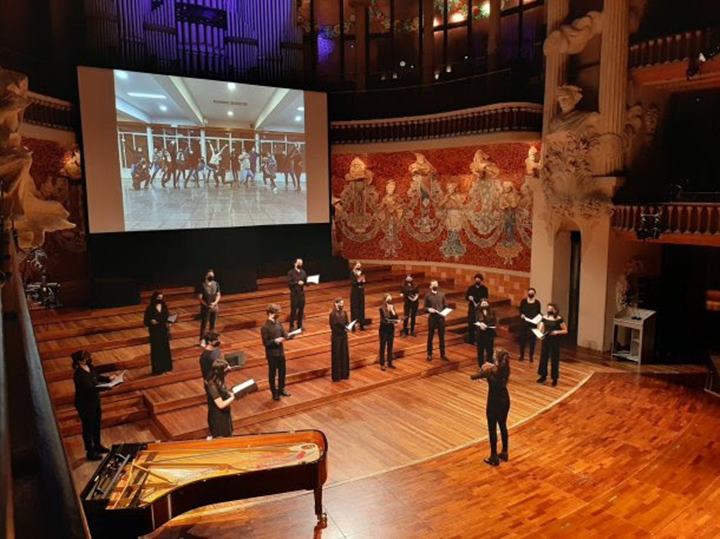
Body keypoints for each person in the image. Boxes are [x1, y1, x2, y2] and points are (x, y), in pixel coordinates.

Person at [470, 348, 511, 466]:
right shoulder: (505, 368)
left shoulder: (490, 371)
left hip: (494, 402)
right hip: (505, 399)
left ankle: (493, 456)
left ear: (496, 359)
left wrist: (483, 369)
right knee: (503, 425)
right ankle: (504, 452)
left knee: (492, 429)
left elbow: (474, 376)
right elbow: (495, 368)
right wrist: (491, 366)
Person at [72, 350, 115, 461]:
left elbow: (96, 376)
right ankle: (90, 452)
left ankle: (97, 445)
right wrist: (107, 387)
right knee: (88, 428)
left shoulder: (89, 367)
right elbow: (90, 389)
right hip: (85, 405)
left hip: (95, 401)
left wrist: (108, 379)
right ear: (80, 361)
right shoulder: (79, 375)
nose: (89, 359)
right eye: (86, 358)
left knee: (96, 424)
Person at [261, 304, 294, 401]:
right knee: (272, 374)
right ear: (270, 313)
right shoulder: (265, 327)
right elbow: (265, 342)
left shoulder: (278, 323)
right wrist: (275, 341)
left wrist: (291, 335)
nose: (278, 315)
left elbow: (284, 334)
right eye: (276, 313)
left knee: (282, 372)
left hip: (280, 352)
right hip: (272, 354)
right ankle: (274, 393)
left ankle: (281, 389)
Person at [537, 303, 568, 387]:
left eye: (551, 309)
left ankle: (554, 379)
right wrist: (539, 333)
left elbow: (565, 330)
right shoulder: (544, 317)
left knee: (554, 359)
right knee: (543, 358)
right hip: (546, 340)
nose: (549, 310)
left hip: (555, 341)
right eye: (548, 309)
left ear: (555, 310)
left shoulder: (559, 319)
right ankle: (543, 376)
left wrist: (557, 332)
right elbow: (541, 327)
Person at [143, 291, 173, 375]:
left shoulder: (164, 306)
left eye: (161, 298)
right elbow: (145, 321)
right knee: (157, 350)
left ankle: (166, 368)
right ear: (154, 298)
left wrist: (169, 322)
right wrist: (151, 321)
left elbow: (168, 316)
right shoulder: (150, 308)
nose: (160, 299)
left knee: (165, 349)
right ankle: (158, 370)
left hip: (163, 331)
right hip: (155, 332)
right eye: (158, 298)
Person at [205, 358, 234, 438]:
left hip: (225, 414)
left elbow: (223, 389)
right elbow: (220, 404)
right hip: (218, 417)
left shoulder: (219, 378)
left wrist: (228, 392)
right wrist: (233, 397)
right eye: (226, 369)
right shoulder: (212, 385)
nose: (229, 369)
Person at [424, 280, 448, 361]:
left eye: (436, 284)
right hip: (432, 318)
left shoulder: (442, 295)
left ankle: (443, 354)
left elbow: (446, 306)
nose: (435, 285)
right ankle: (429, 354)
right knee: (430, 336)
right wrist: (429, 309)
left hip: (441, 318)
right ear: (430, 286)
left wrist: (444, 313)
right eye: (433, 284)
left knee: (442, 337)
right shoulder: (427, 296)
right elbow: (425, 307)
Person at [329, 297, 351, 381]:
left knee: (344, 354)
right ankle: (337, 376)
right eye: (340, 303)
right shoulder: (332, 314)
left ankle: (344, 374)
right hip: (336, 337)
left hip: (344, 336)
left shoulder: (345, 312)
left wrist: (348, 327)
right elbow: (333, 327)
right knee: (337, 356)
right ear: (336, 304)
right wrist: (342, 329)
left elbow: (347, 322)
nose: (342, 305)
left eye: (343, 303)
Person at [519, 288, 541, 362]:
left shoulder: (537, 303)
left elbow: (538, 312)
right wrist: (521, 315)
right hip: (524, 323)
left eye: (532, 293)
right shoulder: (523, 301)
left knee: (532, 341)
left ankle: (531, 356)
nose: (531, 294)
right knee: (522, 339)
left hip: (533, 324)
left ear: (534, 294)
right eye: (529, 292)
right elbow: (520, 310)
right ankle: (521, 355)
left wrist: (538, 319)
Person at [198, 269, 221, 342]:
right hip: (206, 308)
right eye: (210, 275)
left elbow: (218, 295)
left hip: (214, 307)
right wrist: (207, 305)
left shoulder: (216, 284)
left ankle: (211, 340)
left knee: (213, 325)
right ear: (206, 276)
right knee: (204, 325)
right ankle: (202, 340)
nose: (211, 276)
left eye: (212, 275)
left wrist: (214, 303)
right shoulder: (202, 285)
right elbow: (200, 297)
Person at [466, 274, 489, 344]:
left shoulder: (484, 289)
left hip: (480, 308)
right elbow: (466, 297)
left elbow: (485, 298)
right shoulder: (471, 288)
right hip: (472, 309)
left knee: (479, 325)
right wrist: (469, 297)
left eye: (479, 279)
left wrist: (480, 302)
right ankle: (471, 340)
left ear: (481, 280)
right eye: (476, 278)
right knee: (471, 323)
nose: (477, 280)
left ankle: (479, 340)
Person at [378, 293, 399, 370]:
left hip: (390, 329)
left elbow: (396, 317)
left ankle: (390, 363)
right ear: (385, 300)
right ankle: (382, 364)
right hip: (383, 330)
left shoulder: (392, 307)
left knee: (390, 346)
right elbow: (384, 319)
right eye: (389, 299)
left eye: (391, 299)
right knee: (383, 347)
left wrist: (392, 311)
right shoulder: (381, 308)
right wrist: (389, 312)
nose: (390, 300)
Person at [475, 298, 497, 367]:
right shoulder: (477, 312)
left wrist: (486, 325)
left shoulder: (492, 311)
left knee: (489, 350)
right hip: (481, 334)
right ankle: (481, 365)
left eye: (485, 303)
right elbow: (476, 322)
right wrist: (480, 325)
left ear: (488, 304)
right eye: (483, 303)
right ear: (480, 304)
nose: (484, 304)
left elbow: (494, 322)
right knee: (480, 351)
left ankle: (489, 365)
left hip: (489, 333)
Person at [350, 261, 366, 331]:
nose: (359, 266)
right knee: (354, 309)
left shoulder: (361, 272)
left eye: (360, 265)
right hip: (355, 292)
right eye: (358, 265)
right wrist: (358, 281)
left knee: (361, 308)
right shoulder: (352, 273)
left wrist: (363, 280)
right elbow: (352, 282)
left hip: (361, 291)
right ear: (354, 266)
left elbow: (363, 281)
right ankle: (353, 326)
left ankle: (362, 325)